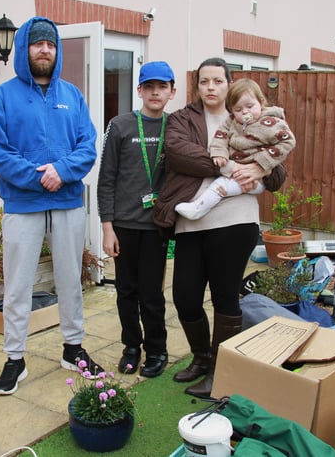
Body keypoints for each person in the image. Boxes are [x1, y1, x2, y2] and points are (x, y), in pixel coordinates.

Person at [153, 57, 286, 398]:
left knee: (225, 295)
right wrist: (234, 167)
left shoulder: (253, 116)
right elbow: (178, 154)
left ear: (230, 84)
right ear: (196, 87)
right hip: (191, 220)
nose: (210, 87)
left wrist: (261, 167)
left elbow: (279, 173)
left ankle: (219, 371)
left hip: (235, 219)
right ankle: (201, 358)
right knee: (184, 295)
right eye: (203, 82)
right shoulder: (182, 119)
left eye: (217, 81)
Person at [0, 16, 103, 395]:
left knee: (71, 279)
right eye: (37, 44)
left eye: (50, 44)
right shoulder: (3, 96)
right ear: (25, 48)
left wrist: (62, 171)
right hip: (23, 205)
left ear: (57, 49)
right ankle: (15, 359)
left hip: (67, 202)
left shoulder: (73, 96)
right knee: (18, 285)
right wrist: (39, 178)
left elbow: (88, 145)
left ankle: (74, 349)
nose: (44, 50)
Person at [97, 61, 176, 378]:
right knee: (126, 291)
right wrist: (107, 227)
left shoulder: (178, 127)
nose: (156, 92)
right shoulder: (120, 126)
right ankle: (132, 347)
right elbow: (106, 179)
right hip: (125, 227)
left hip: (157, 227)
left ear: (172, 91)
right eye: (149, 87)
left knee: (152, 294)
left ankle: (157, 350)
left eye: (162, 87)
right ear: (139, 90)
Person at [174, 78, 295, 220]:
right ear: (231, 110)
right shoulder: (231, 121)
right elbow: (221, 137)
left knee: (220, 186)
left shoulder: (271, 123)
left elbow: (288, 141)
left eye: (250, 106)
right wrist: (219, 153)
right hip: (239, 172)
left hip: (257, 178)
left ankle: (197, 209)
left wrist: (262, 163)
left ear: (261, 102)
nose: (245, 112)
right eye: (238, 109)